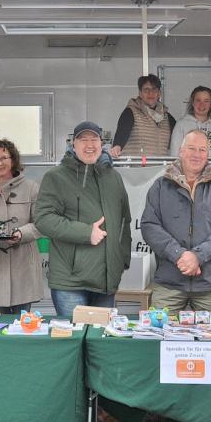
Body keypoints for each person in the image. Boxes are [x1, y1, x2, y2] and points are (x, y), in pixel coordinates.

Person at [34, 121, 131, 317]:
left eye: (94, 139)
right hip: (70, 283)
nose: (90, 145)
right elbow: (43, 218)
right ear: (73, 144)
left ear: (101, 143)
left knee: (101, 342)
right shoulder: (56, 177)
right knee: (74, 341)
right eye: (83, 140)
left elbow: (124, 222)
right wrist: (86, 233)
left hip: (106, 281)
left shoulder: (114, 177)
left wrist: (122, 260)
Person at [141, 129, 211, 315]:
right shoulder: (161, 186)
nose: (197, 154)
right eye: (192, 148)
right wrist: (179, 255)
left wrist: (198, 256)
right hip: (169, 282)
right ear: (181, 151)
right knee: (158, 338)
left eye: (202, 150)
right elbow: (149, 226)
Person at [0, 139, 43, 314]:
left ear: (13, 160)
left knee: (24, 328)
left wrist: (21, 233)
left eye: (4, 157)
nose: (0, 163)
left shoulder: (31, 188)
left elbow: (41, 223)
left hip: (23, 267)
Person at [108, 74, 176, 158]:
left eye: (154, 89)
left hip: (160, 169)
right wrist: (117, 146)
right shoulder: (130, 112)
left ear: (159, 94)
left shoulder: (168, 118)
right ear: (140, 93)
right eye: (146, 90)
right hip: (136, 169)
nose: (150, 93)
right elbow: (121, 135)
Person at [168, 86, 211, 158]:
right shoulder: (181, 125)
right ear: (192, 102)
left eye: (206, 101)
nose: (202, 105)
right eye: (198, 100)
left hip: (209, 169)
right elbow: (174, 155)